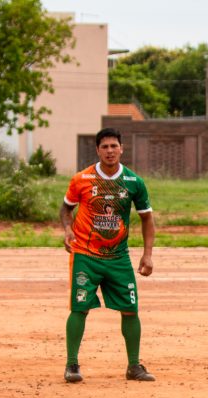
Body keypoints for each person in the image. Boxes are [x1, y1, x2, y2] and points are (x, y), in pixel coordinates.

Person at [60, 127, 156, 384]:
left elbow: (147, 218)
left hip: (118, 257)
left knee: (130, 309)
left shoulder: (134, 182)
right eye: (105, 147)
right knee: (79, 308)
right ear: (97, 150)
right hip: (85, 255)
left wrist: (147, 254)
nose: (110, 151)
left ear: (121, 149)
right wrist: (68, 229)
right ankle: (72, 365)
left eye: (114, 146)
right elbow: (66, 209)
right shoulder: (82, 179)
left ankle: (134, 366)